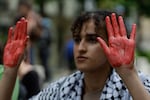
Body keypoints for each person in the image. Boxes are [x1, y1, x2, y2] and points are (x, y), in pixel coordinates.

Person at [1, 10, 150, 100]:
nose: (81, 48)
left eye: (92, 40)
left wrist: (128, 73)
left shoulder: (136, 84)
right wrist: (10, 70)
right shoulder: (63, 89)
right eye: (77, 40)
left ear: (113, 45)